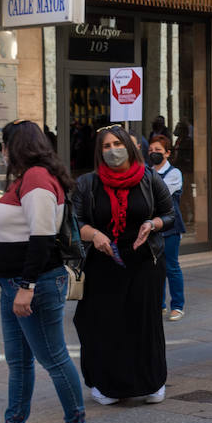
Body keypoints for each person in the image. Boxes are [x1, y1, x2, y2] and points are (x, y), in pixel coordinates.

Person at [0, 122, 92, 423]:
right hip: (14, 286)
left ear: (16, 146)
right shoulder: (24, 180)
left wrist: (26, 287)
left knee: (53, 357)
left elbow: (41, 238)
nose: (2, 153)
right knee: (19, 363)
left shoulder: (36, 179)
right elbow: (1, 220)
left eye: (3, 146)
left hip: (34, 286)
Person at [73, 126, 174, 405]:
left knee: (145, 323)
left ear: (129, 148)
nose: (113, 150)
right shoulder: (87, 183)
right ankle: (107, 385)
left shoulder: (150, 179)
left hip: (145, 262)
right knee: (104, 324)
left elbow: (170, 215)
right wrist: (94, 234)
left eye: (118, 144)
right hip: (103, 264)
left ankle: (152, 382)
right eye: (106, 146)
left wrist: (151, 224)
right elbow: (73, 223)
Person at [147, 136, 185, 322]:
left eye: (158, 150)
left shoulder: (174, 173)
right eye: (151, 150)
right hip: (152, 227)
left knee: (171, 266)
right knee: (154, 267)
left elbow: (159, 195)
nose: (154, 153)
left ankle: (177, 306)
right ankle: (159, 304)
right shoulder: (148, 172)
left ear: (168, 153)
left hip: (170, 227)